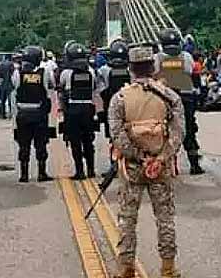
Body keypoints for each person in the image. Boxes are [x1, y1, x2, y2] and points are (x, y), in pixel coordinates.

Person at [108, 44, 185, 278]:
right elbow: (178, 131)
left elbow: (117, 134)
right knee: (165, 217)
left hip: (132, 167)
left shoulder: (120, 98)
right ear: (153, 67)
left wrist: (138, 157)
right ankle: (168, 269)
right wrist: (160, 158)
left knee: (127, 218)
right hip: (159, 166)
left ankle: (126, 269)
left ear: (130, 69)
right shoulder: (169, 96)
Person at [155, 27, 204, 175]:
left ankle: (165, 166)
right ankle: (195, 165)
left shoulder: (158, 58)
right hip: (185, 98)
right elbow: (190, 72)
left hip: (165, 98)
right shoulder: (186, 56)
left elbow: (154, 73)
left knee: (163, 132)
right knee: (188, 130)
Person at [59, 41, 103, 180]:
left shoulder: (66, 73)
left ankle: (80, 171)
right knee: (88, 141)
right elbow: (95, 89)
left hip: (72, 110)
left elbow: (61, 90)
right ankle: (91, 170)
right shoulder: (91, 70)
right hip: (88, 110)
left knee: (75, 142)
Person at [12, 45, 55, 183]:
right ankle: (41, 173)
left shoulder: (18, 73)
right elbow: (50, 87)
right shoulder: (44, 72)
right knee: (40, 144)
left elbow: (15, 89)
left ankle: (24, 174)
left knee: (23, 144)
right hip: (39, 113)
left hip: (22, 114)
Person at [98, 39, 131, 141]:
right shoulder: (131, 69)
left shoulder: (103, 70)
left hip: (110, 104)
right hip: (130, 104)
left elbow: (100, 90)